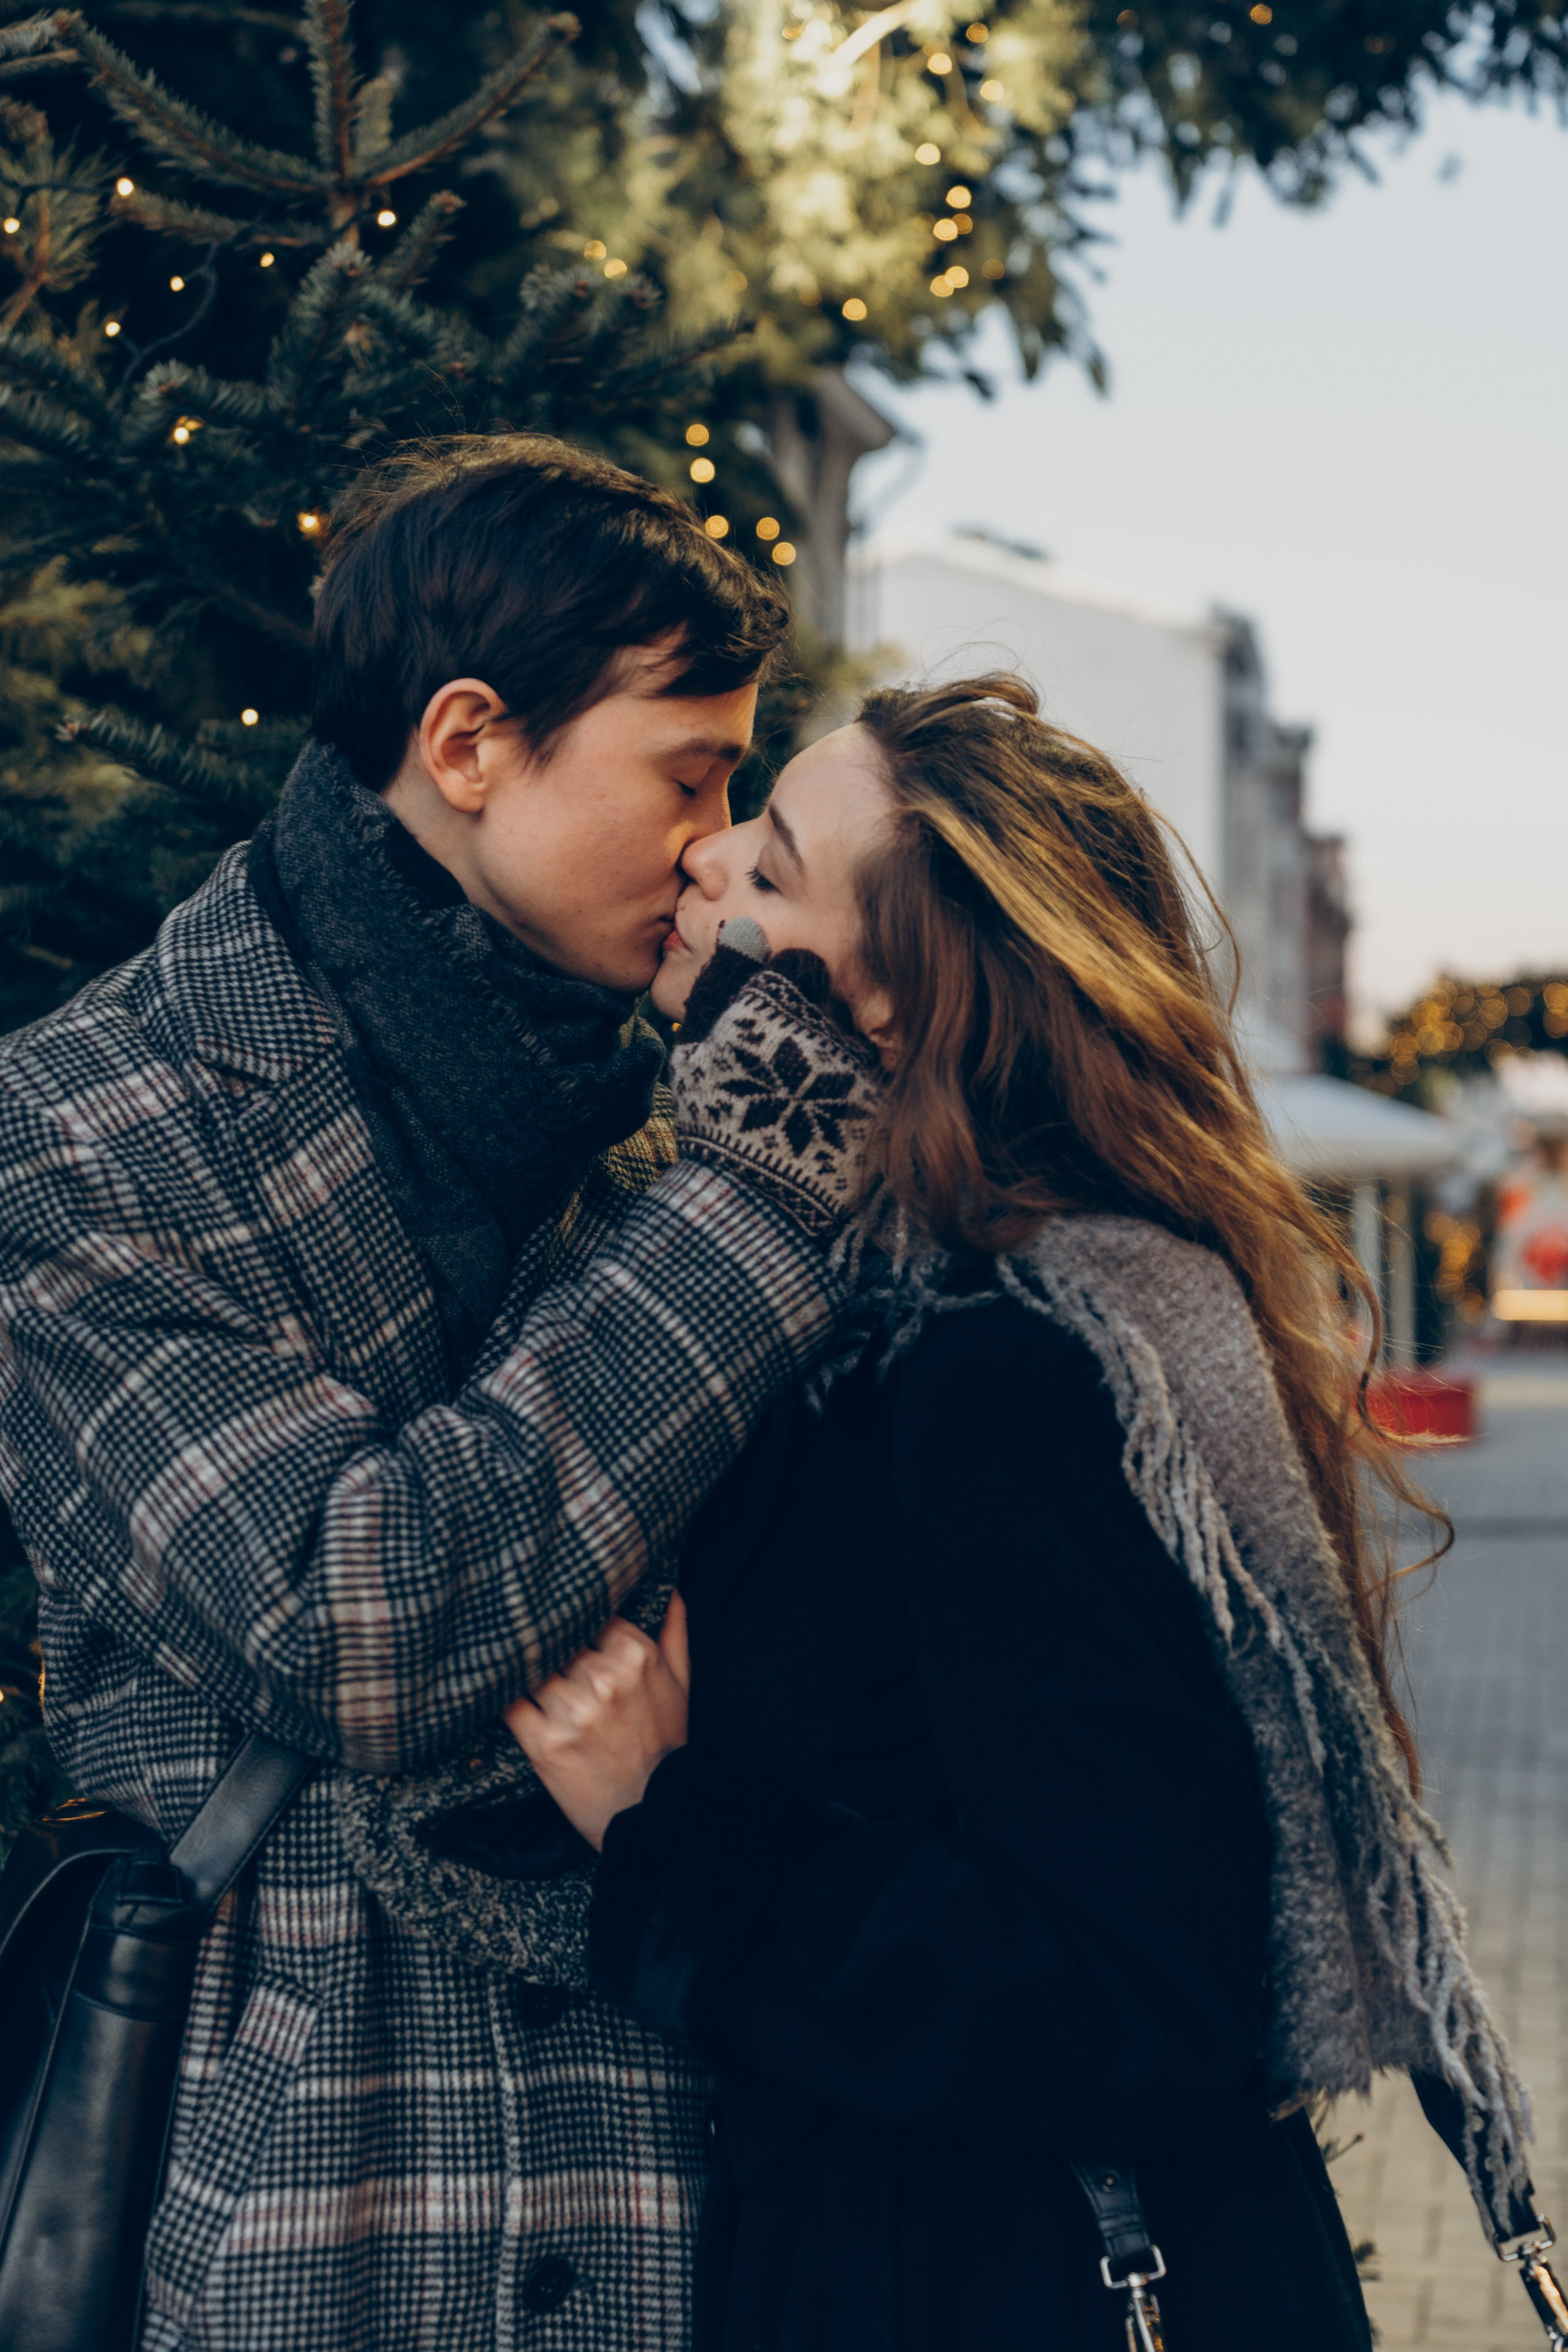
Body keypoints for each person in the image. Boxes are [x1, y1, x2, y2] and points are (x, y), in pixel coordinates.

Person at [507, 676, 1534, 2352]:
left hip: (1004, 2280)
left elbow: (1142, 2001)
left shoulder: (1002, 1364)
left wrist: (673, 1825)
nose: (703, 868)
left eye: (769, 870)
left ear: (894, 1010)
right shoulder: (888, 1304)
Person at [0, 435, 883, 2351]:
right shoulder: (80, 1133)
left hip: (704, 2177)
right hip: (321, 2186)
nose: (723, 847)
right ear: (471, 743)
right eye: (690, 772)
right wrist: (759, 1197)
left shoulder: (684, 1100)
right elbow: (356, 1618)